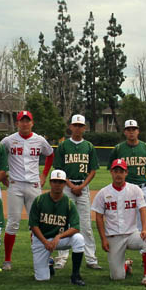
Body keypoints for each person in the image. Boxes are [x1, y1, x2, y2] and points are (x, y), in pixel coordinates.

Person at [0, 110, 54, 271]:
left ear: (32, 123)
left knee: (36, 223)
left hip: (34, 185)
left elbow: (50, 154)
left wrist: (44, 175)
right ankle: (7, 260)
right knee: (13, 223)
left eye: (27, 120)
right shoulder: (8, 141)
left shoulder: (39, 140)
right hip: (15, 185)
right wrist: (3, 176)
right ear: (17, 123)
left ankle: (39, 257)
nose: (24, 123)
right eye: (21, 121)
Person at [91, 159, 146, 287]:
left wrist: (144, 230)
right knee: (117, 277)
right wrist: (103, 239)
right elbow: (98, 217)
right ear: (111, 172)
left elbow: (143, 210)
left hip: (132, 234)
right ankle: (125, 264)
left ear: (126, 173)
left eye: (121, 171)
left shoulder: (135, 189)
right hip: (113, 237)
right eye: (116, 171)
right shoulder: (103, 193)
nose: (118, 174)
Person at [52, 114, 100, 270]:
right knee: (64, 224)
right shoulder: (63, 146)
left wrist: (81, 186)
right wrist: (71, 185)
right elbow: (58, 169)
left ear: (84, 128)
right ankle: (61, 258)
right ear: (70, 127)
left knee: (85, 225)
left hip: (83, 188)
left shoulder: (89, 146)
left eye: (81, 125)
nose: (78, 128)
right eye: (75, 125)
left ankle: (91, 259)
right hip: (67, 187)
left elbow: (93, 170)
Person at [29, 170, 86, 286]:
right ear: (50, 182)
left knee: (79, 238)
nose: (57, 184)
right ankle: (49, 263)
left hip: (59, 240)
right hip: (41, 240)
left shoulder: (69, 203)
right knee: (42, 279)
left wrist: (59, 236)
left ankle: (75, 275)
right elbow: (33, 225)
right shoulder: (39, 200)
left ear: (65, 184)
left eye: (60, 182)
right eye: (55, 181)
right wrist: (45, 242)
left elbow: (76, 228)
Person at [108, 119, 146, 235]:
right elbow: (112, 169)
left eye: (133, 129)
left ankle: (144, 250)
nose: (131, 132)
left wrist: (145, 178)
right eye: (128, 130)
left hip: (143, 187)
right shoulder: (118, 149)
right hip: (126, 189)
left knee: (145, 222)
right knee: (123, 220)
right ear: (124, 132)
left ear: (138, 131)